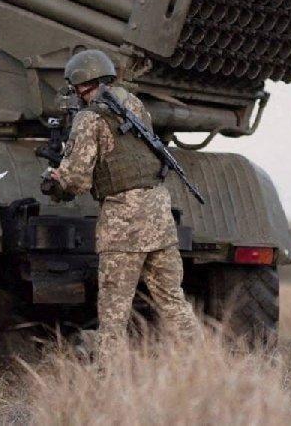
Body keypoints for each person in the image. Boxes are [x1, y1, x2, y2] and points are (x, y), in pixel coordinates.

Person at [46, 49, 198, 366]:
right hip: (158, 213)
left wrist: (55, 180)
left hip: (123, 222)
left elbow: (76, 179)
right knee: (173, 300)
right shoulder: (134, 104)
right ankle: (203, 366)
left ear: (80, 84)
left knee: (114, 310)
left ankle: (109, 376)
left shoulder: (88, 119)